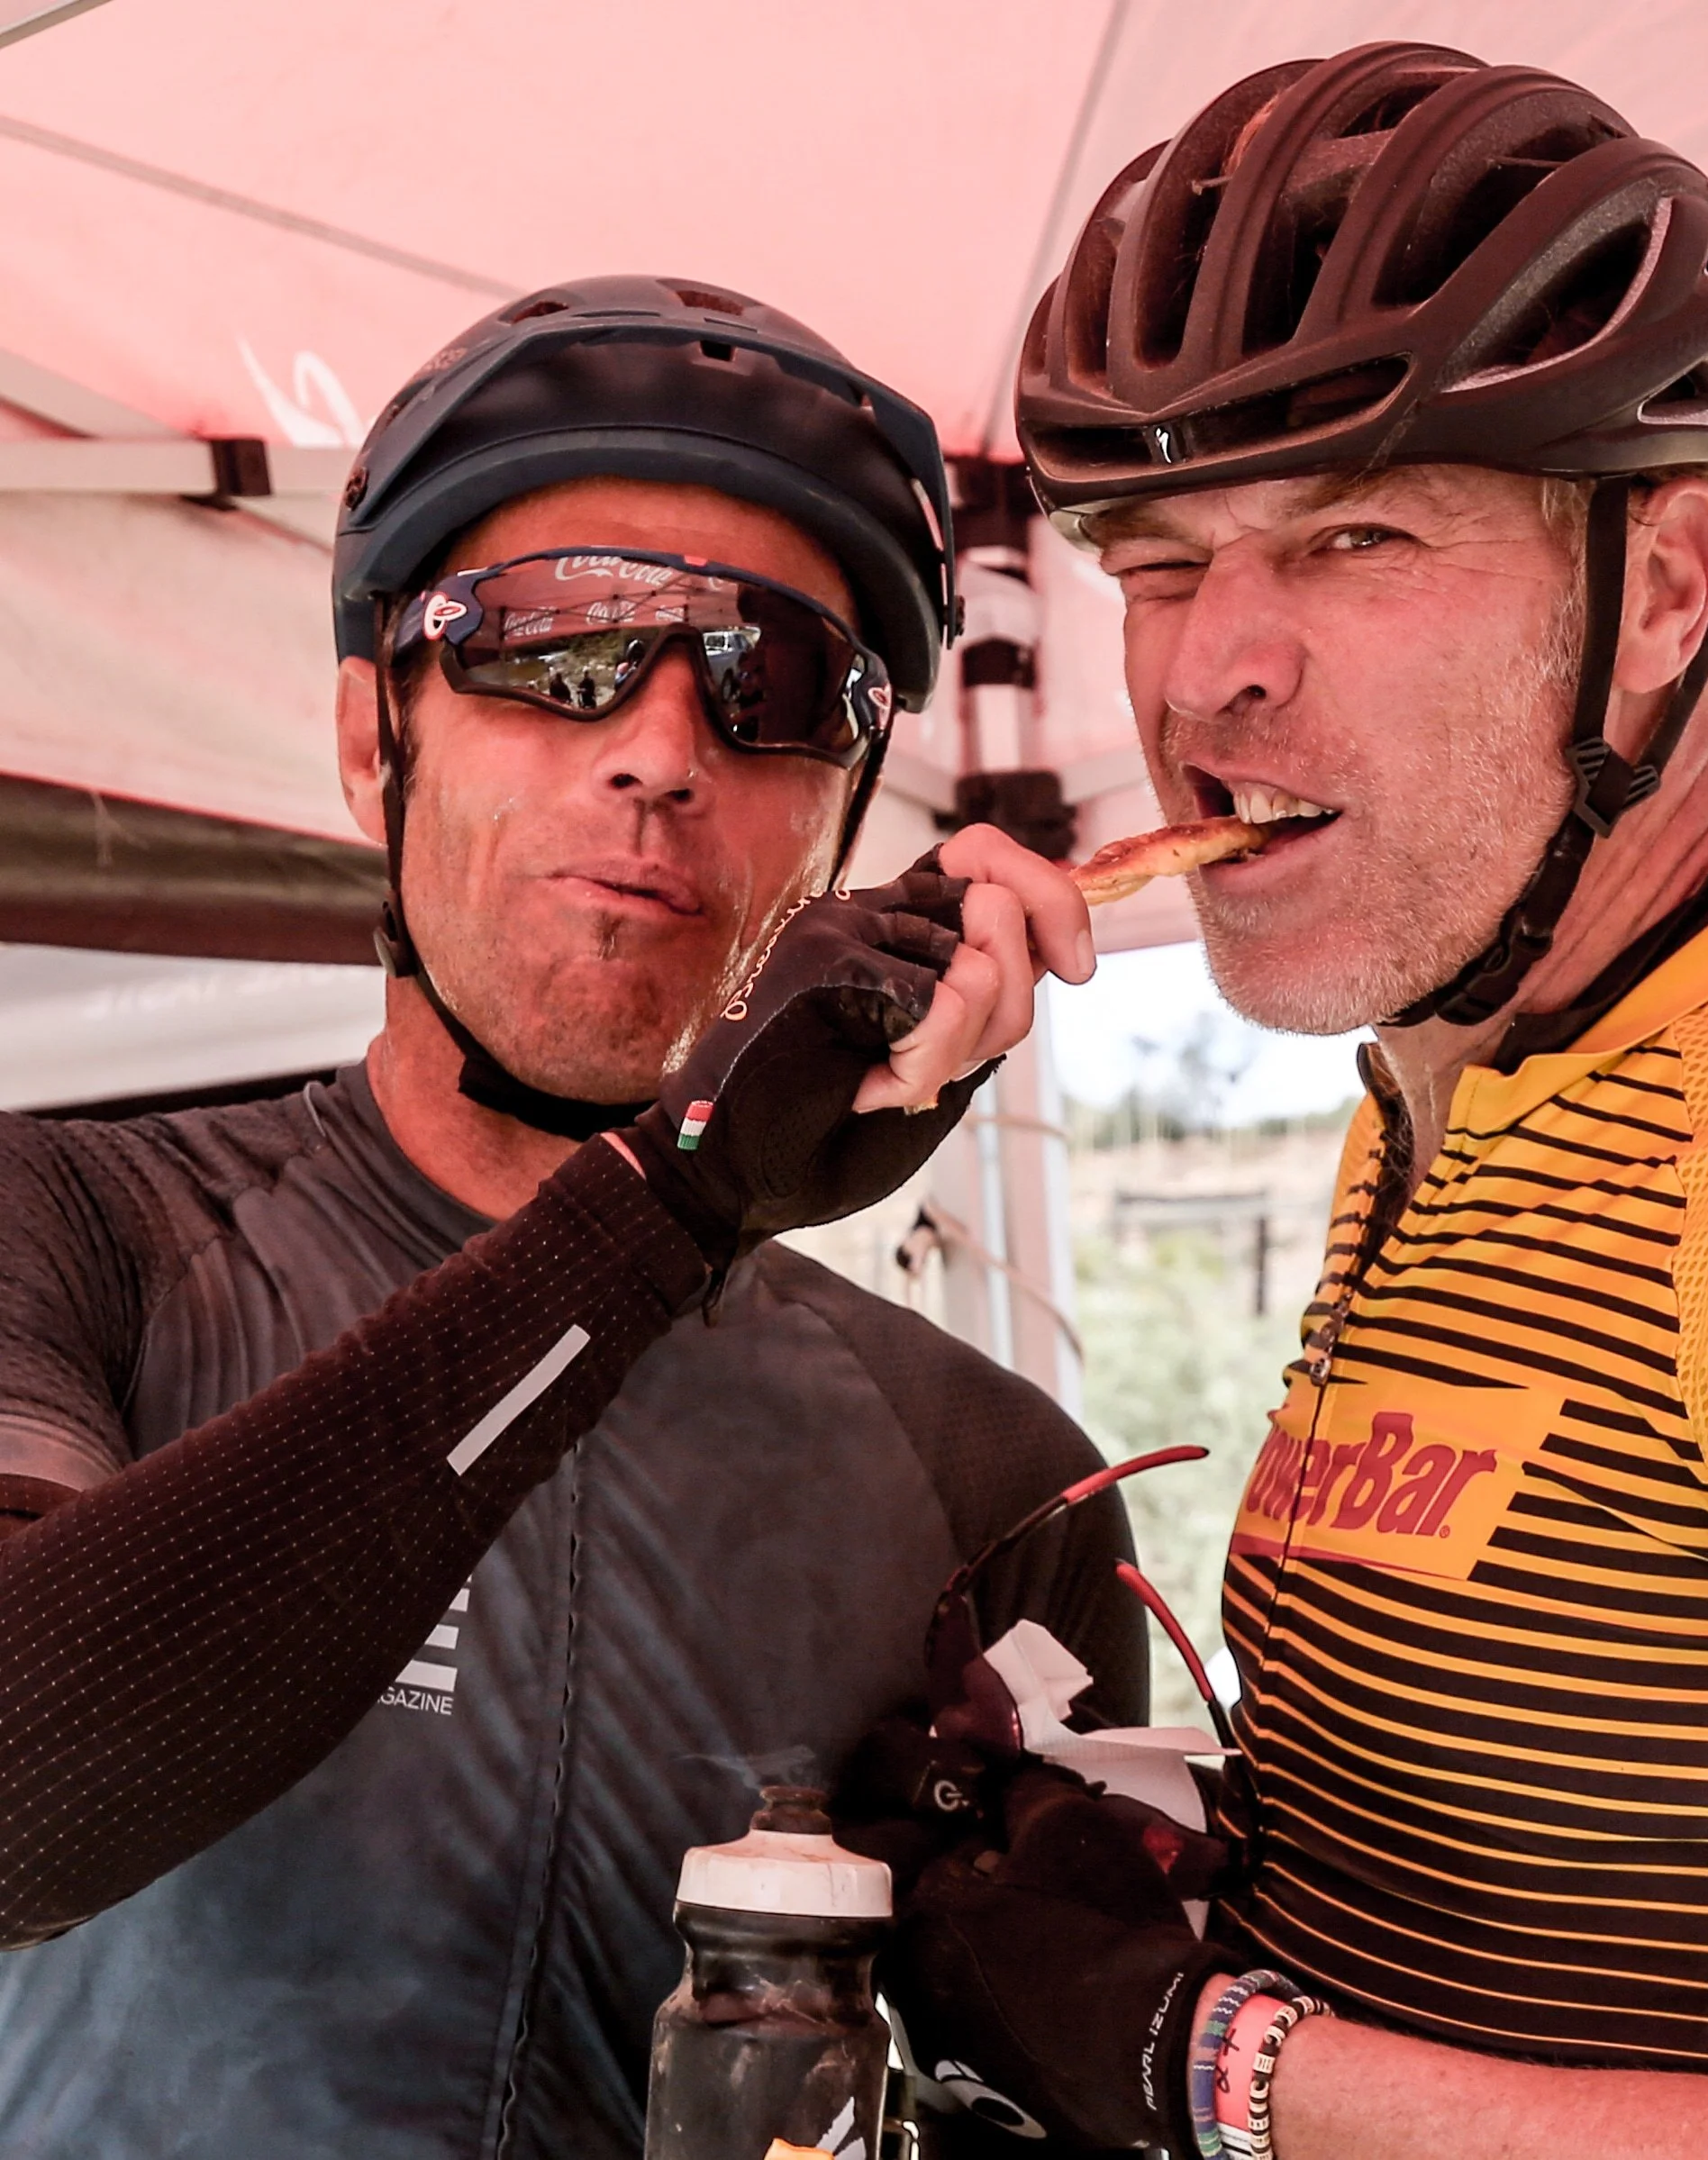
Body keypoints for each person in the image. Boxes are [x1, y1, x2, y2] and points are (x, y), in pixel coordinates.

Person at [885, 44, 1708, 2160]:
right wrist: (1156, 1855)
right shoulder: (1440, 1080)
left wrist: (1199, 2062)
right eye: (1161, 559)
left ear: (1660, 585)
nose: (1210, 673)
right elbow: (1585, 1869)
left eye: (1353, 537)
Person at [0, 275, 1142, 2160]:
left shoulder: (995, 1475)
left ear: (844, 822)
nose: (663, 748)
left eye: (774, 686)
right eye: (556, 645)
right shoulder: (68, 1224)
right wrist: (666, 1206)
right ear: (379, 739)